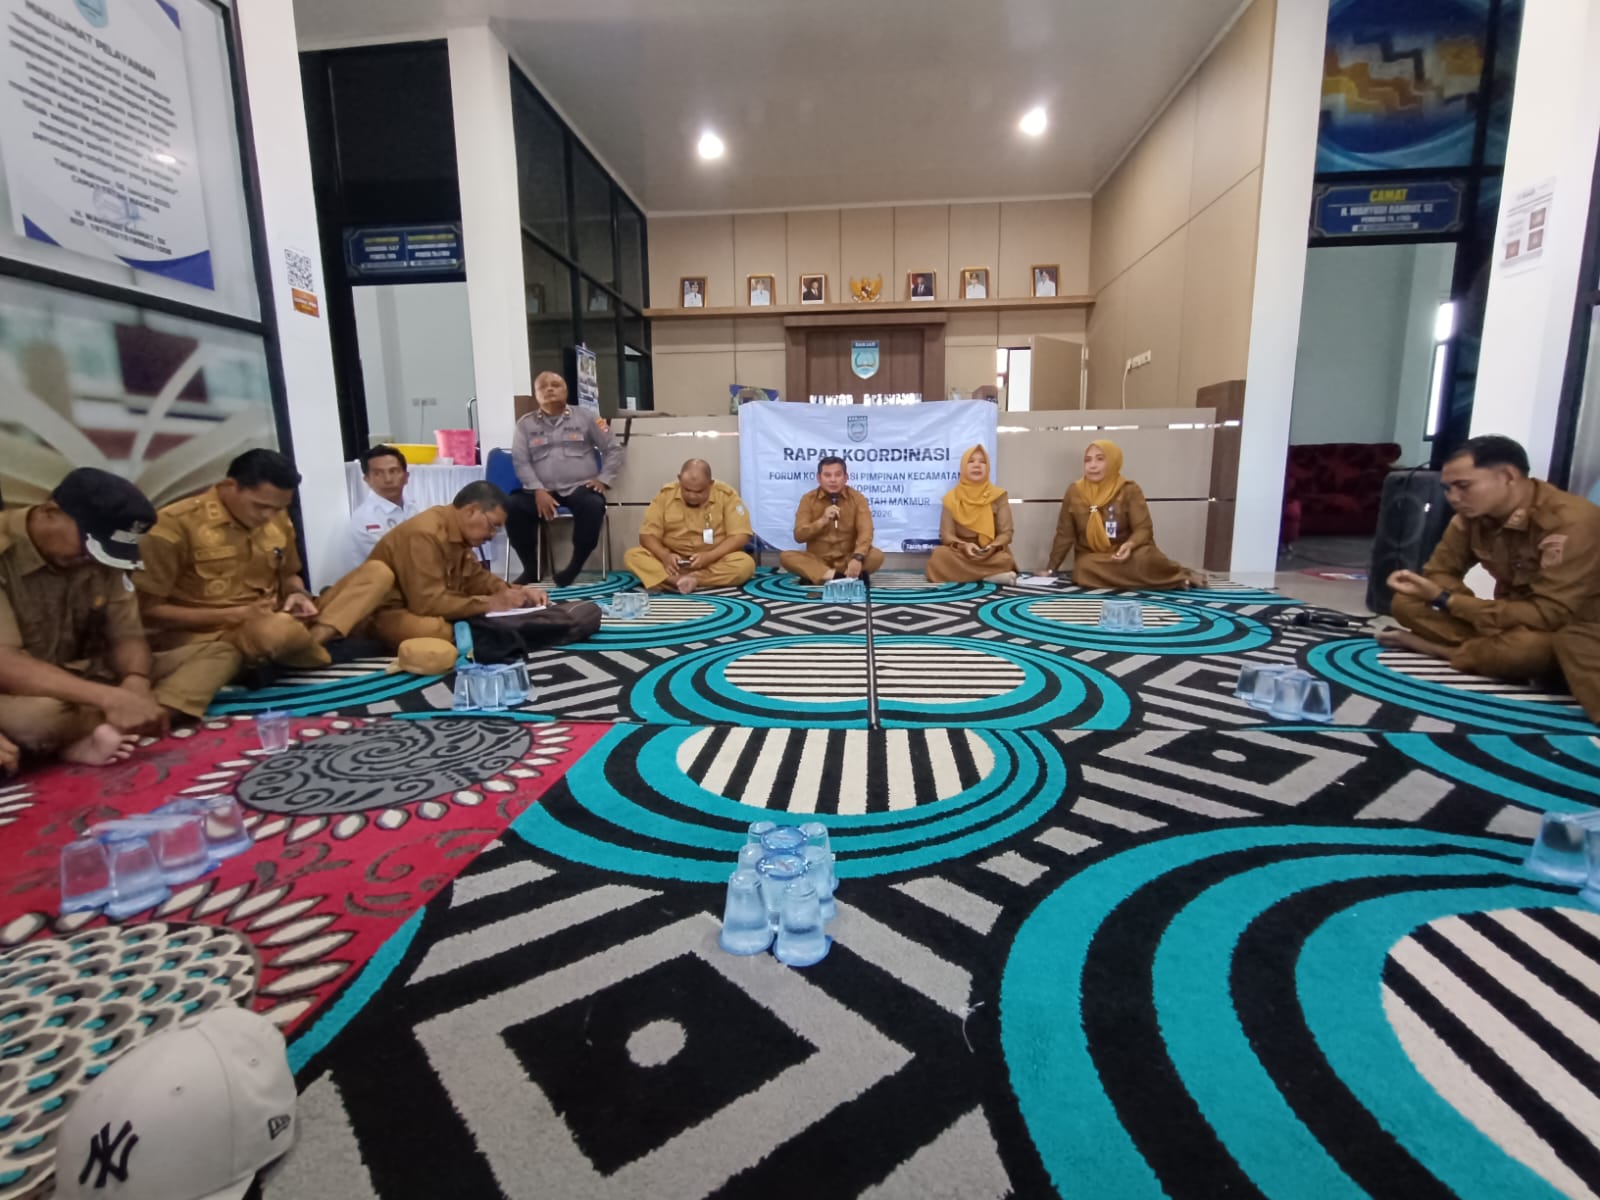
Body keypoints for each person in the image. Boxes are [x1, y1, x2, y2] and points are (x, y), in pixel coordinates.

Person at [0, 469, 240, 769]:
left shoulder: (102, 553)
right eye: (89, 547)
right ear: (51, 513)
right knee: (41, 717)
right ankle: (110, 725)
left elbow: (127, 634)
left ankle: (117, 722)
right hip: (20, 690)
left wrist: (135, 680)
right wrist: (109, 699)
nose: (92, 558)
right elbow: (6, 663)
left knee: (218, 653)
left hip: (84, 675)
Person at [135, 450, 392, 670]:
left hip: (279, 617)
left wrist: (298, 594)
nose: (268, 516)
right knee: (277, 630)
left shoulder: (277, 517)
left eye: (278, 508)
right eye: (260, 506)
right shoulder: (173, 525)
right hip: (216, 634)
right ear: (229, 486)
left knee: (378, 572)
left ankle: (306, 645)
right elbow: (148, 612)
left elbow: (288, 574)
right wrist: (235, 614)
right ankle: (313, 652)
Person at [1381, 435, 1600, 690]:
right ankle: (1489, 652)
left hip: (1570, 631)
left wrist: (1450, 601)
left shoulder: (1571, 522)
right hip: (1507, 621)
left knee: (1525, 649)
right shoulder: (1471, 518)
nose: (1453, 497)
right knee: (1406, 602)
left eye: (1463, 486)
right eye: (1448, 488)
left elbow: (1550, 614)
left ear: (1507, 476)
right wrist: (1472, 610)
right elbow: (1439, 572)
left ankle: (1443, 651)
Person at [361, 481, 599, 644]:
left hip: (425, 608)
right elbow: (427, 603)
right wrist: (490, 603)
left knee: (468, 622)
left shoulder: (456, 532)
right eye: (493, 526)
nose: (492, 535)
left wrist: (516, 592)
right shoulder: (425, 534)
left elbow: (477, 578)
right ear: (471, 511)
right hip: (389, 615)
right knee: (438, 632)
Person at [504, 371, 624, 587]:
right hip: (541, 491)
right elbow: (521, 462)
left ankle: (574, 567)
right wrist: (537, 490)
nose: (549, 389)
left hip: (579, 488)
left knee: (593, 504)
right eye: (543, 387)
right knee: (512, 506)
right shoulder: (524, 425)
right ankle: (530, 569)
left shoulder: (587, 417)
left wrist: (603, 479)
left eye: (555, 384)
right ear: (536, 394)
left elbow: (613, 448)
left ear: (566, 390)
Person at [1043, 440, 1205, 588]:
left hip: (1127, 555)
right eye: (1088, 460)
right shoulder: (1075, 491)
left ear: (1113, 461)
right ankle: (1167, 581)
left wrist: (1129, 545)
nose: (1092, 466)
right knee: (1082, 569)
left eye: (1100, 459)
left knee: (1146, 558)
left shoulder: (1129, 489)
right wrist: (1051, 568)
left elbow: (1143, 529)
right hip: (1095, 558)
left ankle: (1174, 576)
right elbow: (1064, 534)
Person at [624, 459, 756, 593]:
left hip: (713, 562)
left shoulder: (727, 496)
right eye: (686, 490)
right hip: (672, 564)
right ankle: (677, 581)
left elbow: (741, 536)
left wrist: (709, 556)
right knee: (633, 556)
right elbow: (647, 535)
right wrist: (665, 556)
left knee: (745, 565)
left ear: (710, 484)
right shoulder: (665, 496)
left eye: (699, 492)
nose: (692, 496)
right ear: (679, 479)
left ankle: (688, 580)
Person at [779, 456, 885, 584]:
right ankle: (841, 577)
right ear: (819, 478)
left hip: (848, 560)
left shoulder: (857, 498)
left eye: (838, 475)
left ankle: (823, 577)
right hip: (819, 561)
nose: (833, 480)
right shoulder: (808, 499)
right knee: (786, 557)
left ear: (845, 477)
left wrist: (857, 557)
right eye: (827, 475)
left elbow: (866, 532)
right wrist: (822, 521)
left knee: (876, 556)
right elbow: (799, 536)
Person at [926, 446, 1018, 584]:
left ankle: (973, 575)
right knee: (939, 556)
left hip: (990, 553)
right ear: (963, 467)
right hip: (962, 552)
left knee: (1004, 559)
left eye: (982, 462)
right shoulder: (950, 498)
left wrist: (993, 546)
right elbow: (946, 535)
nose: (977, 465)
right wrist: (964, 546)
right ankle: (988, 576)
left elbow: (1006, 532)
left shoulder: (998, 496)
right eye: (971, 461)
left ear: (988, 467)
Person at [335, 444, 418, 576]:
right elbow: (393, 561)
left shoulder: (415, 508)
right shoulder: (364, 519)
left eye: (393, 471)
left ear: (406, 477)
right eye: (378, 473)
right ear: (367, 480)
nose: (388, 479)